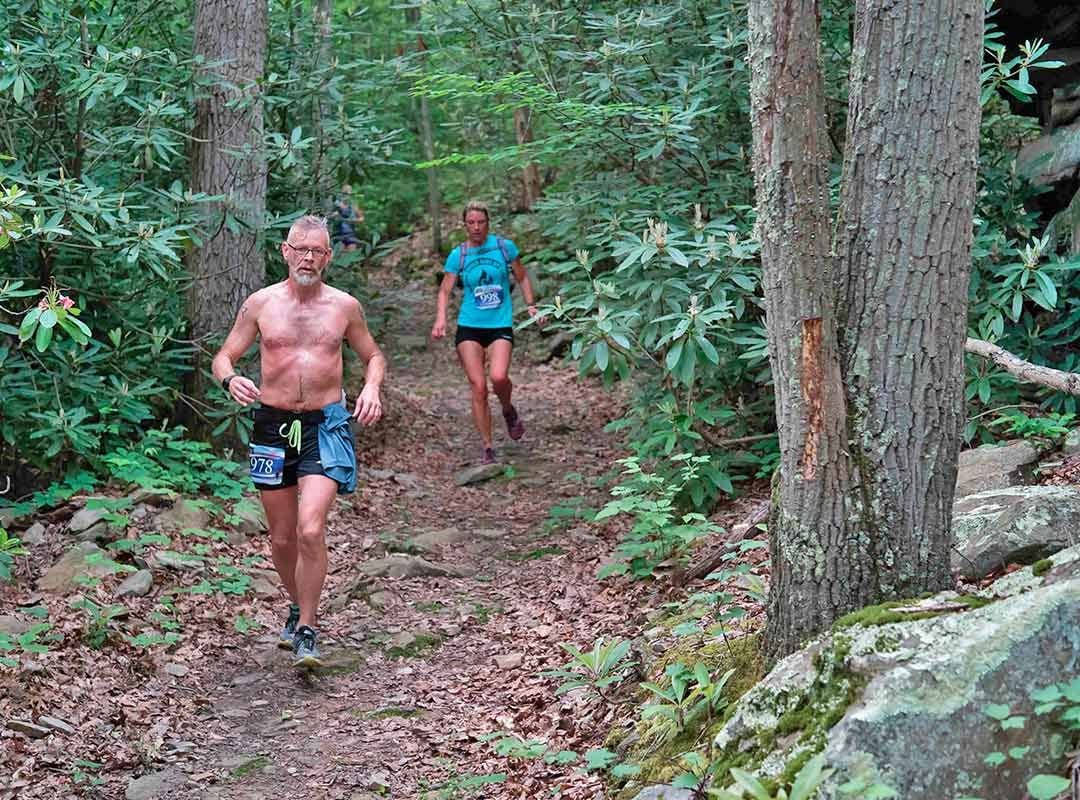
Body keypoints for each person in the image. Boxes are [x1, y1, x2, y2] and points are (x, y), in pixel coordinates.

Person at [211, 215, 386, 668]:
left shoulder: (344, 306)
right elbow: (224, 356)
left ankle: (307, 627)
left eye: (317, 251)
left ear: (328, 257)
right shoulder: (261, 304)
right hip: (272, 425)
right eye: (300, 248)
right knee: (283, 537)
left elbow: (372, 356)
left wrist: (370, 387)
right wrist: (230, 379)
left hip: (325, 425)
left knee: (311, 528)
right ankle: (295, 604)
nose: (308, 257)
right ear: (285, 251)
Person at [431, 200, 539, 464]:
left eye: (481, 222)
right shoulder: (459, 255)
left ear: (488, 223)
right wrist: (441, 319)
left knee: (499, 377)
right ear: (465, 225)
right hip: (469, 326)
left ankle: (507, 408)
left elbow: (523, 277)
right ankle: (488, 446)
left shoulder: (504, 248)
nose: (476, 227)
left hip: (499, 324)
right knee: (478, 386)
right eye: (471, 223)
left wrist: (531, 305)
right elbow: (445, 290)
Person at [331, 185, 363, 251]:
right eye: (344, 193)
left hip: (350, 234)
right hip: (338, 234)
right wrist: (334, 215)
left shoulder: (354, 205)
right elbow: (328, 217)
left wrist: (354, 221)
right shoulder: (336, 204)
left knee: (351, 255)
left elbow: (361, 218)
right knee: (340, 255)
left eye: (348, 194)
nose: (346, 196)